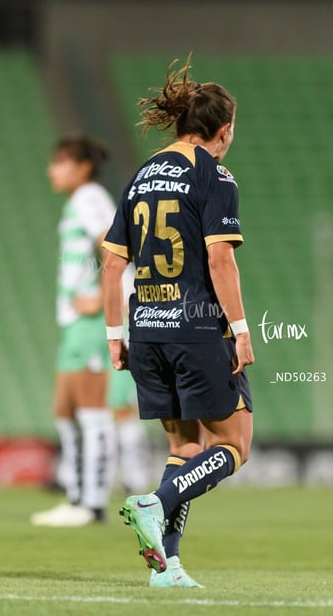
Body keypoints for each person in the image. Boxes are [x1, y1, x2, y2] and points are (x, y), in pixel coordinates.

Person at [101, 55, 254, 587]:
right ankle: (155, 502)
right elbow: (220, 258)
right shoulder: (214, 173)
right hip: (195, 327)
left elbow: (113, 261)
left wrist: (114, 335)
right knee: (235, 445)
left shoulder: (141, 176)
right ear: (224, 129)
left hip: (146, 329)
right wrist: (240, 329)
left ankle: (168, 568)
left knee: (184, 448)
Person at [30, 134, 117, 527]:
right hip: (74, 323)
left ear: (82, 166)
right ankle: (75, 496)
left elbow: (114, 246)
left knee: (92, 411)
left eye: (61, 161)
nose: (53, 169)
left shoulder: (91, 198)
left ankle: (92, 503)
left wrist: (102, 296)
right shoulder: (78, 202)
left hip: (91, 323)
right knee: (64, 410)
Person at [108, 263, 151, 494]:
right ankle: (125, 476)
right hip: (111, 345)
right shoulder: (112, 269)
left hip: (126, 342)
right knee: (115, 410)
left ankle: (135, 478)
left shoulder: (126, 272)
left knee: (123, 410)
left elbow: (129, 307)